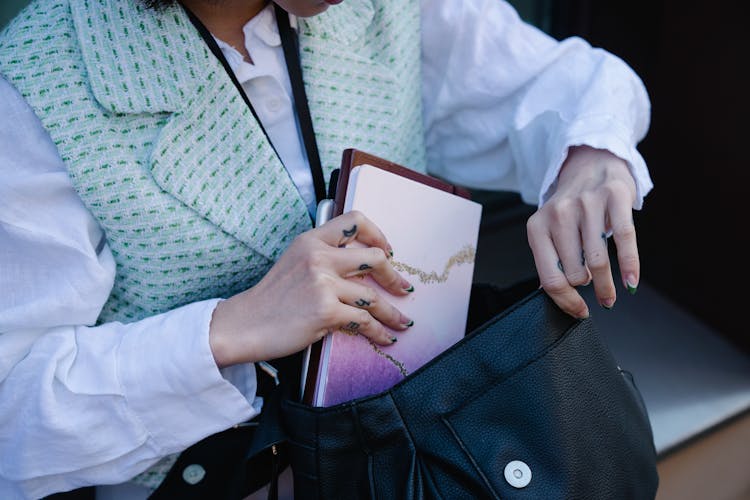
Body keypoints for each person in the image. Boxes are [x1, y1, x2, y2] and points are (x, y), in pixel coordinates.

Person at [0, 0, 653, 498]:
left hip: (415, 459)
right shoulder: (43, 84)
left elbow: (567, 83)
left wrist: (590, 156)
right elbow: (12, 415)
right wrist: (227, 329)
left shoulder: (383, 10)